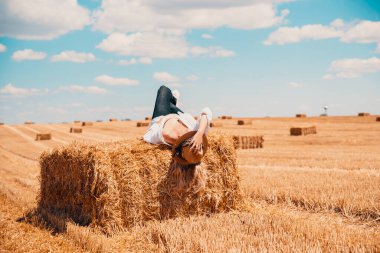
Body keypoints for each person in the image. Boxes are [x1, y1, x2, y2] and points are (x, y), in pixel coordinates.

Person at [143, 85, 212, 165]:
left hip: (161, 118)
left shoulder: (167, 135)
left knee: (164, 90)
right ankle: (174, 103)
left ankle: (173, 102)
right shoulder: (197, 131)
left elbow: (150, 134)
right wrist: (200, 133)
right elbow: (206, 111)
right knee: (170, 104)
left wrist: (164, 119)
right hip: (179, 115)